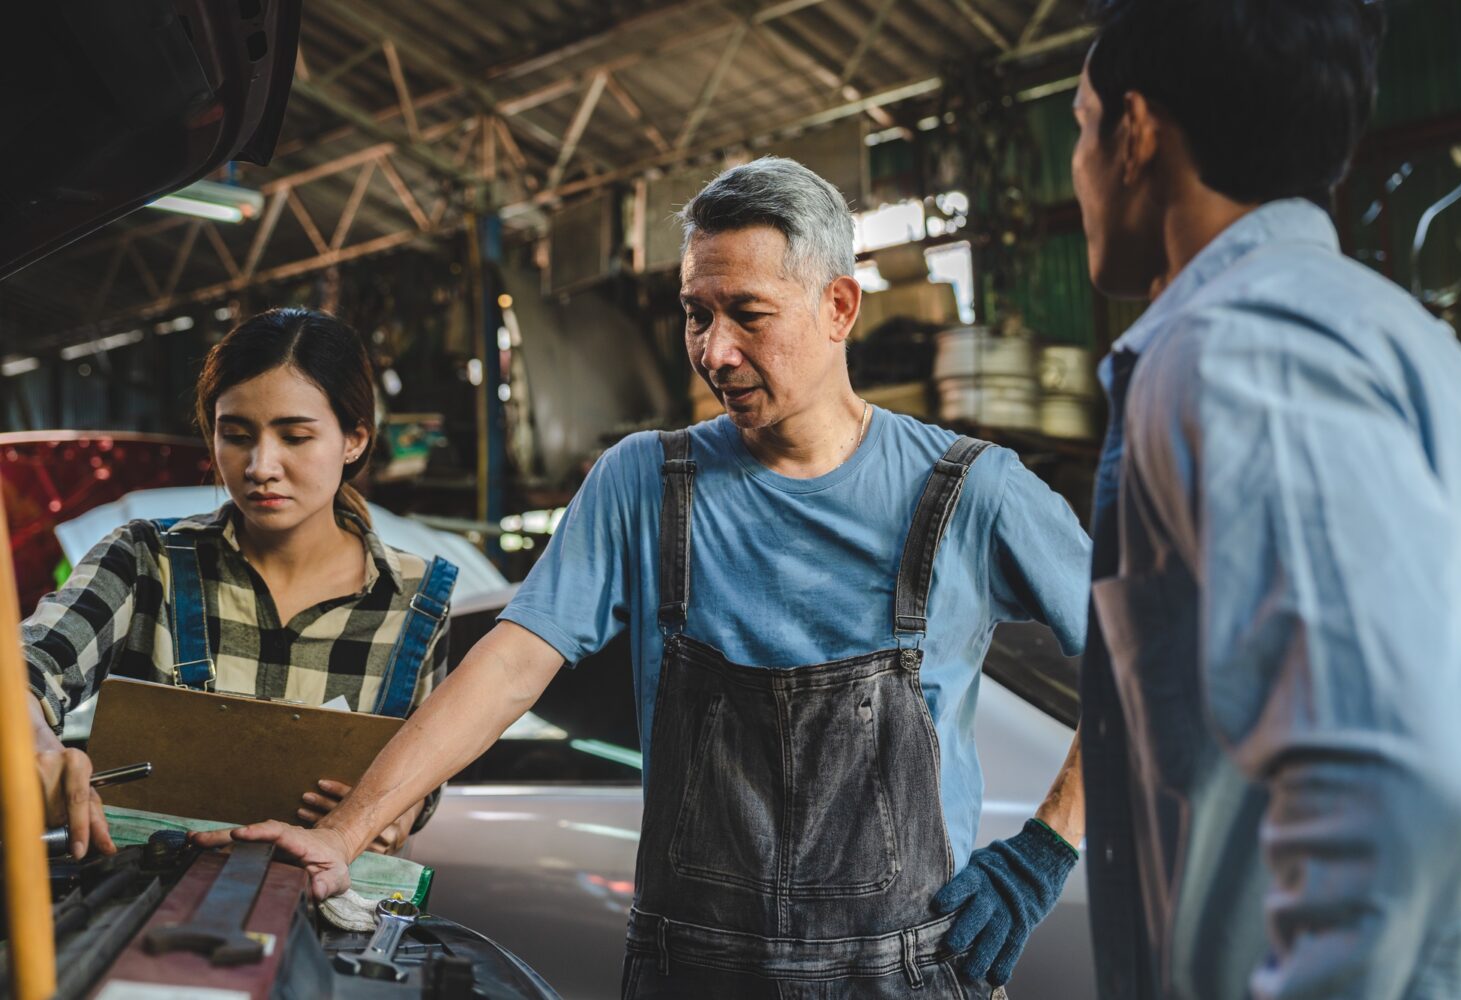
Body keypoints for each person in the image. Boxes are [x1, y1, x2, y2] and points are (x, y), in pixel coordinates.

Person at [199, 157, 1093, 997]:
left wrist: (1046, 848)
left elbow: (1142, 666)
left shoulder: (971, 492)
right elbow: (513, 661)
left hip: (908, 971)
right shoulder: (644, 483)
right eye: (697, 314)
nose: (714, 352)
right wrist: (345, 832)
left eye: (748, 313)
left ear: (839, 306)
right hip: (691, 969)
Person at [1069, 1, 1461, 998]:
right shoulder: (1406, 341)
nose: (1079, 172)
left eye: (1085, 128)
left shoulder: (1232, 351)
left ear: (1136, 133)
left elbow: (1402, 785)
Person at [25, 308, 457, 860]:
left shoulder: (416, 599)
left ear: (354, 440)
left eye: (295, 437)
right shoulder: (144, 561)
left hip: (323, 919)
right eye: (236, 435)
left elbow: (423, 778)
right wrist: (36, 745)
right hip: (144, 904)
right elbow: (27, 668)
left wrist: (394, 812)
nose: (260, 465)